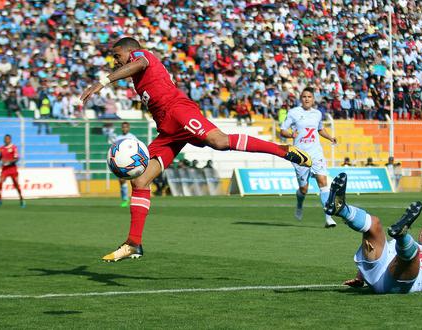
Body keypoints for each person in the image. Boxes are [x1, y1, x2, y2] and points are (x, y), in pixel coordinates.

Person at [80, 37, 311, 262]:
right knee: (140, 182)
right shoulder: (138, 76)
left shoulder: (142, 56)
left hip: (179, 111)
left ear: (129, 51)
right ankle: (133, 242)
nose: (115, 61)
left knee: (219, 142)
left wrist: (102, 82)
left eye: (117, 56)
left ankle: (282, 150)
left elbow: (139, 63)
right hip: (168, 130)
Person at [280, 87, 337, 228]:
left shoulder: (317, 114)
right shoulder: (293, 113)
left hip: (316, 153)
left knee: (323, 182)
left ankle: (328, 218)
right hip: (300, 155)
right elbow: (282, 130)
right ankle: (299, 204)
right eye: (304, 96)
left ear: (313, 99)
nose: (307, 99)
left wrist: (330, 137)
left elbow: (320, 129)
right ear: (301, 98)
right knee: (304, 189)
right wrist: (290, 135)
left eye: (309, 97)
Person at [0, 135, 25, 208]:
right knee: (0, 182)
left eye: (8, 139)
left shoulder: (14, 147)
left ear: (10, 140)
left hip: (12, 169)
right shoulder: (1, 148)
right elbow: (0, 156)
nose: (6, 140)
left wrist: (9, 162)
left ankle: (21, 199)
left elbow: (17, 158)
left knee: (16, 185)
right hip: (5, 169)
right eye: (5, 139)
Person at [111, 122, 137, 207]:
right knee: (122, 180)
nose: (124, 129)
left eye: (126, 127)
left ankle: (135, 198)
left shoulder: (132, 137)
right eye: (123, 127)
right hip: (121, 162)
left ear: (128, 128)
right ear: (121, 128)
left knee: (134, 181)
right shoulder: (118, 138)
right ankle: (125, 199)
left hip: (132, 162)